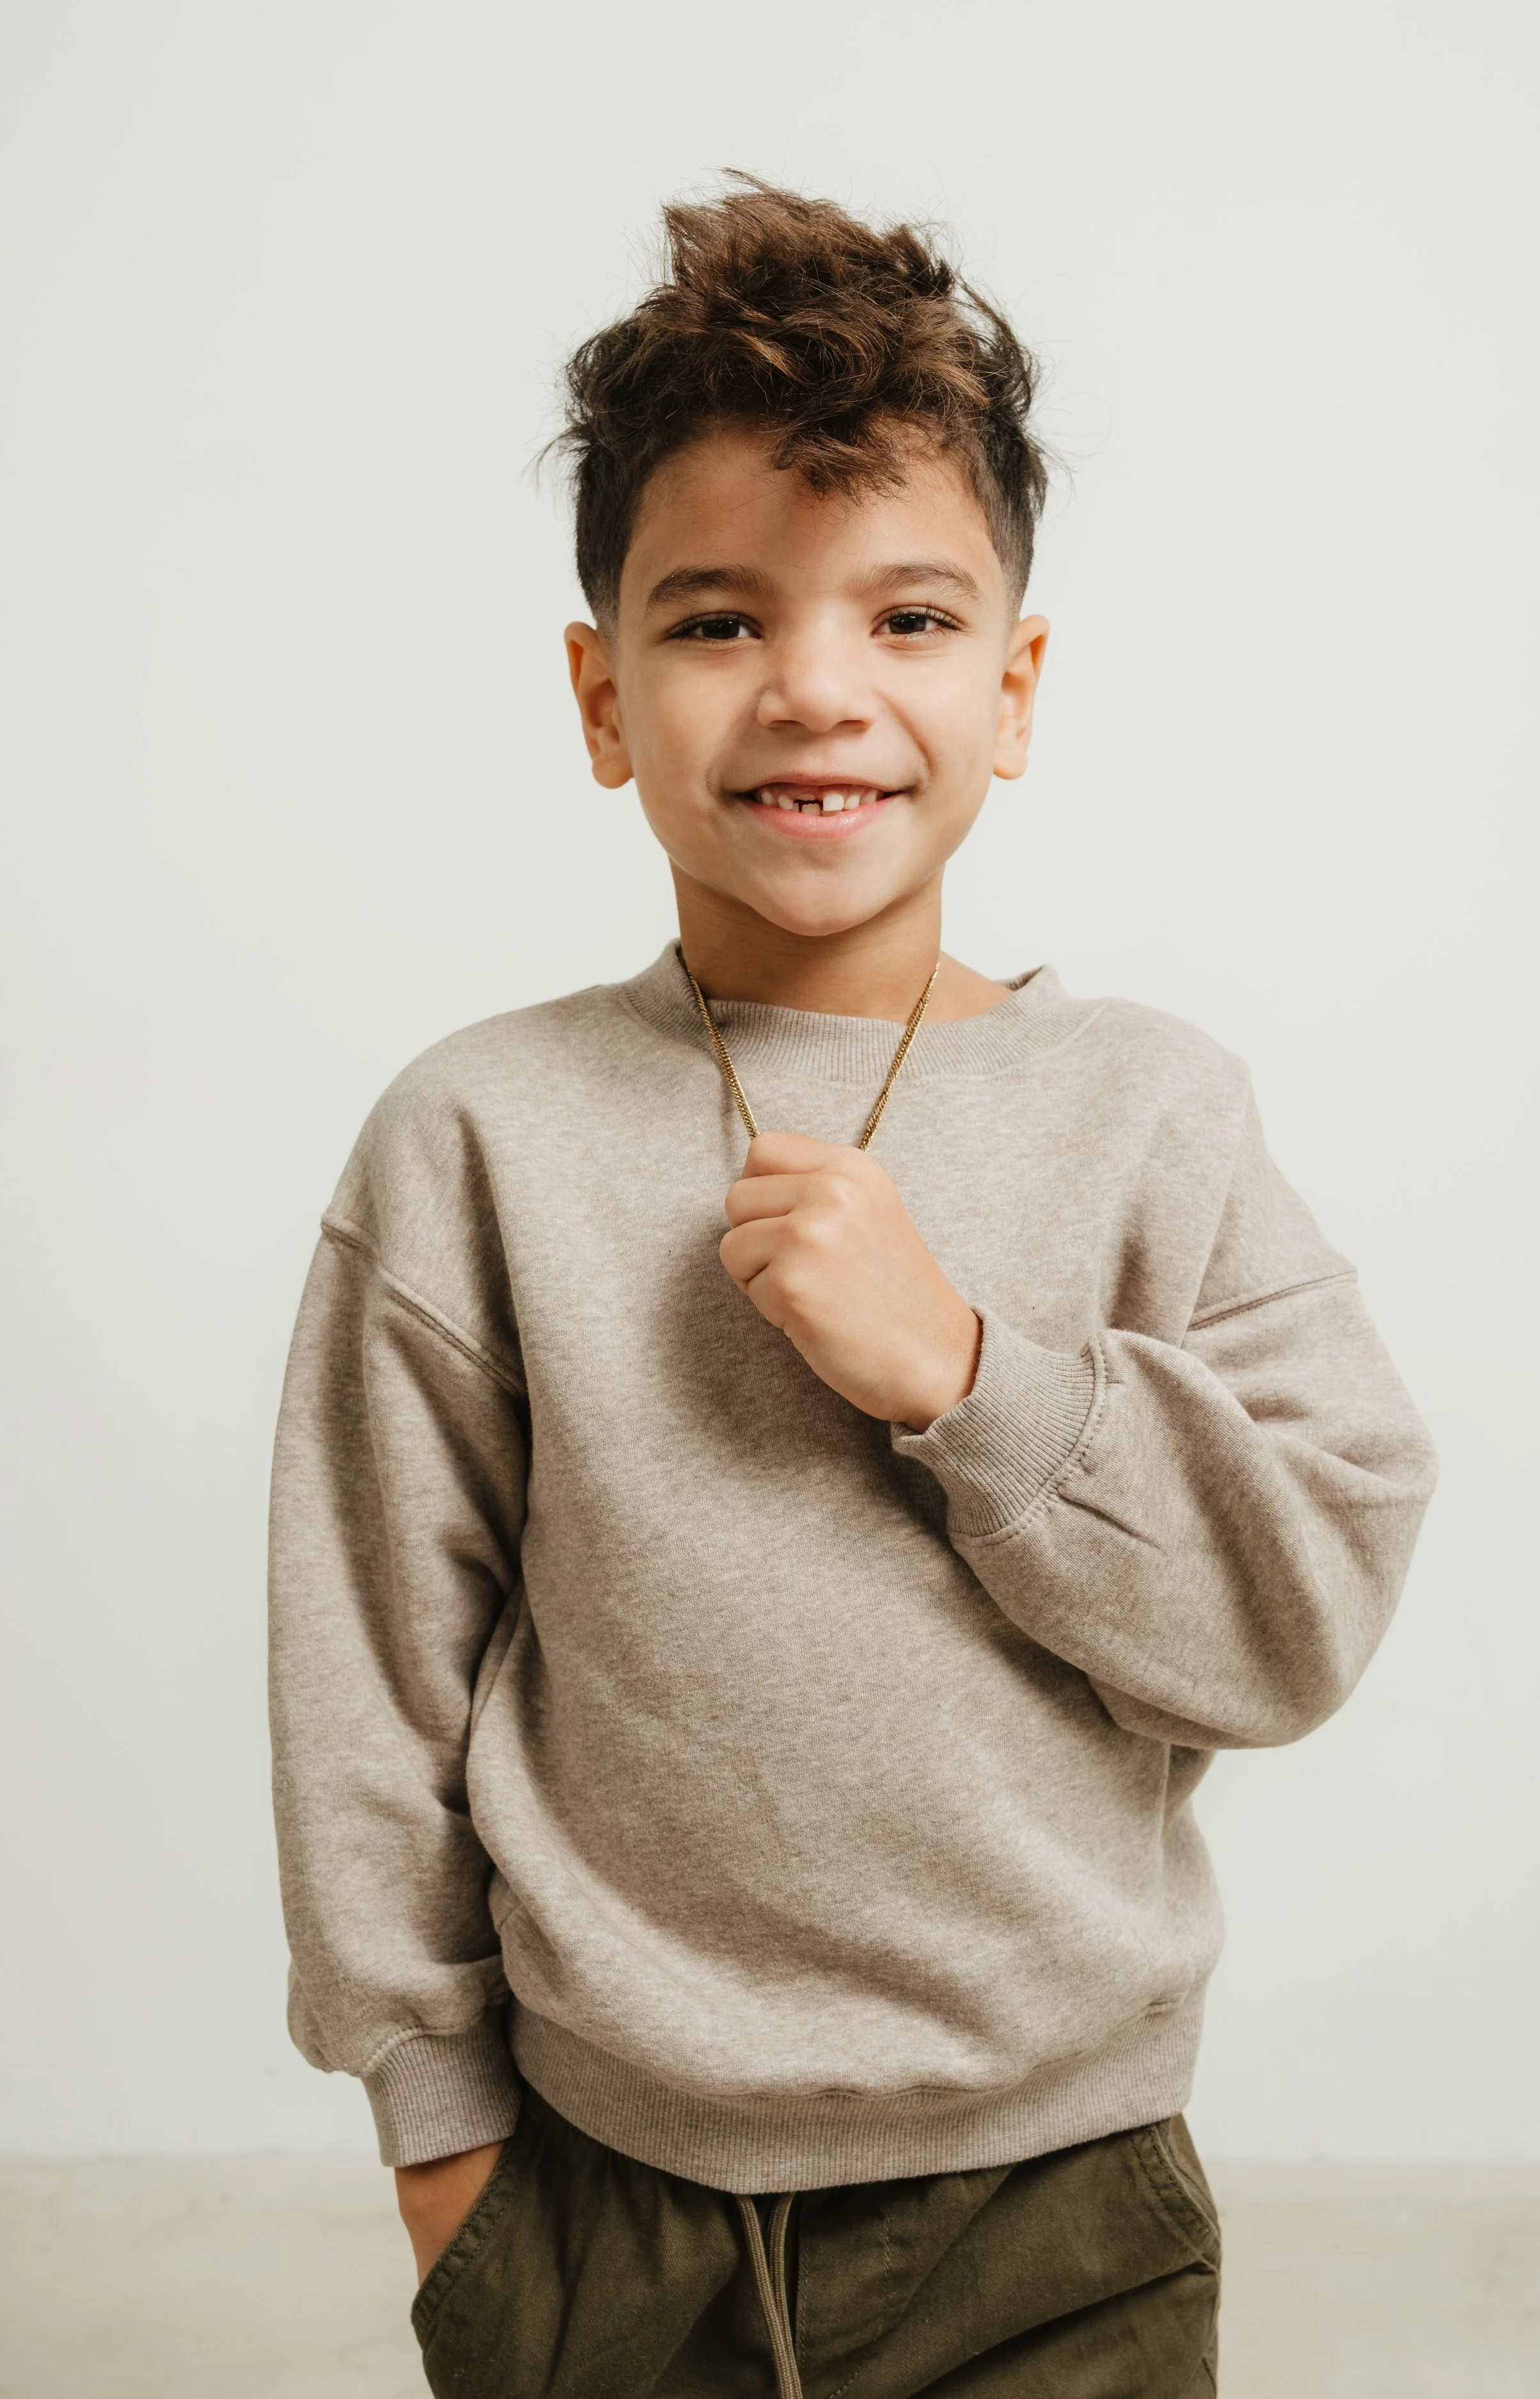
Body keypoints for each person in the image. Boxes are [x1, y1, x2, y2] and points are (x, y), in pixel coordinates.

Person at [268, 177, 1436, 2396]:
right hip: (599, 2204)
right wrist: (443, 2148)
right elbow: (370, 1676)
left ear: (1012, 685)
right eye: (718, 620)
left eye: (907, 618)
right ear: (602, 696)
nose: (817, 688)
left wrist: (976, 1379)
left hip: (1058, 2201)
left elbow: (1298, 1614)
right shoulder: (478, 1133)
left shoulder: (1154, 1113)